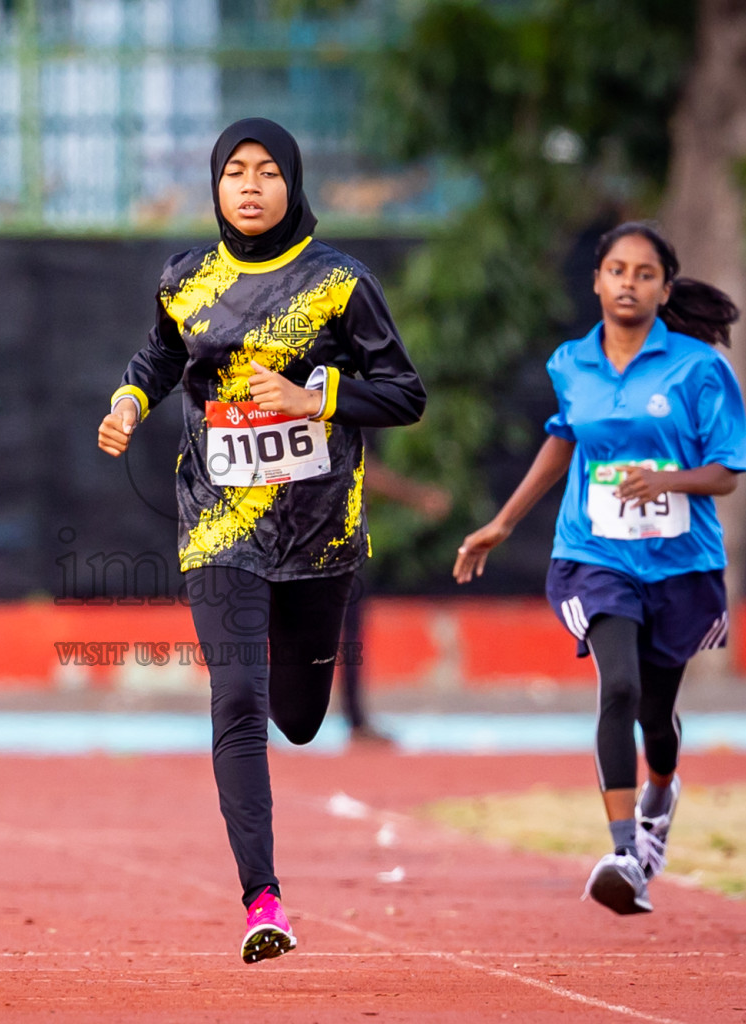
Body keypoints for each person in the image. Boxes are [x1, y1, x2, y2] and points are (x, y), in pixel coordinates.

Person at [97, 117, 425, 962]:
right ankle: (263, 900)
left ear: (293, 183)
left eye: (267, 171)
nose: (249, 185)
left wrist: (316, 399)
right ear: (215, 186)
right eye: (234, 171)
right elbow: (158, 356)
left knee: (302, 718)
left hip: (319, 537)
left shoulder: (340, 283)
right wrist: (131, 403)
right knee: (236, 700)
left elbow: (404, 394)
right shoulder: (185, 279)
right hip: (218, 525)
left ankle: (303, 678)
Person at [452, 221, 746, 916]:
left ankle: (660, 792)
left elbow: (730, 473)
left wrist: (667, 482)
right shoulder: (571, 364)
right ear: (596, 281)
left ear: (664, 289)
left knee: (656, 712)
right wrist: (503, 522)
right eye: (617, 270)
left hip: (679, 563)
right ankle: (624, 852)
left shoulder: (699, 370)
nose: (628, 283)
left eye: (644, 274)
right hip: (595, 554)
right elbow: (563, 439)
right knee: (618, 685)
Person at [339, 449, 451, 745]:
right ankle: (355, 722)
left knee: (343, 633)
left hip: (330, 537)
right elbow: (365, 469)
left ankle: (355, 720)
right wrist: (417, 496)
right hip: (326, 539)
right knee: (341, 632)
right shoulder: (327, 409)